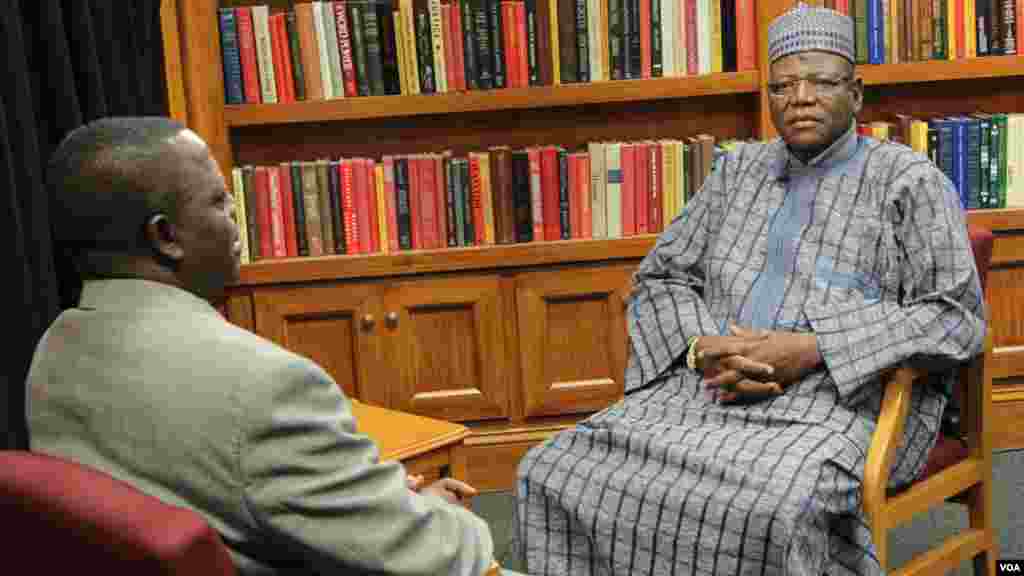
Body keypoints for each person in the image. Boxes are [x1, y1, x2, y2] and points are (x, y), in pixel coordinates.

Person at [513, 4, 986, 576]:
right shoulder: (737, 171)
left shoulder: (910, 181)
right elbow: (662, 275)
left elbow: (954, 316)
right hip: (704, 388)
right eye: (783, 86)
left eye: (820, 82)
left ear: (857, 94)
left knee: (777, 503)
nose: (801, 97)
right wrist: (701, 347)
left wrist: (812, 349)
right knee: (552, 468)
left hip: (836, 400)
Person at [26, 116, 499, 575]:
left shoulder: (55, 351)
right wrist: (444, 519)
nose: (235, 218)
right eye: (218, 202)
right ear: (166, 237)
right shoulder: (266, 387)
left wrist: (376, 504)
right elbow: (435, 557)